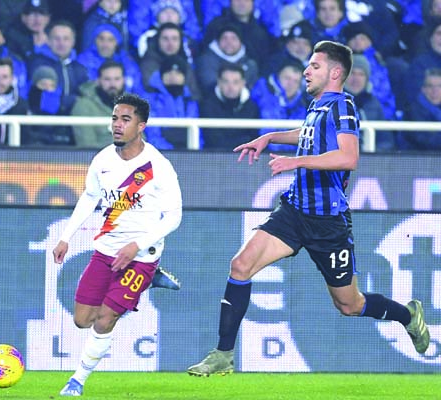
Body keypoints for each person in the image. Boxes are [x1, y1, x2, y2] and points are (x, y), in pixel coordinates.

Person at [187, 40, 430, 377]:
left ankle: (407, 315)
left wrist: (295, 162)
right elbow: (308, 132)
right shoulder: (318, 106)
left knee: (350, 304)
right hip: (295, 211)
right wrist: (270, 137)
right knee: (241, 265)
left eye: (314, 66)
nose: (306, 70)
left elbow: (349, 157)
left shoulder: (343, 104)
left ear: (334, 72)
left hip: (328, 223)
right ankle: (223, 354)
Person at [53, 93, 182, 396]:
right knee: (82, 320)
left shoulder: (158, 166)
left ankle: (77, 381)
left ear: (141, 126)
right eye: (114, 118)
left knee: (105, 318)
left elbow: (174, 217)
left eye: (126, 119)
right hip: (107, 251)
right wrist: (65, 236)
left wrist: (137, 245)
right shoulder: (102, 160)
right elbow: (89, 197)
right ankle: (149, 282)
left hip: (142, 255)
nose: (117, 125)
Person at [199, 63, 259, 150]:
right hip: (214, 157)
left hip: (245, 157)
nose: (230, 87)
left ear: (243, 83)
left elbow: (253, 139)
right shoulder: (207, 105)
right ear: (219, 82)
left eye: (235, 82)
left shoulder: (252, 107)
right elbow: (212, 139)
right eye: (226, 81)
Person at [70, 60, 126, 148]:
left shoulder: (132, 105)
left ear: (123, 80)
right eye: (107, 79)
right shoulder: (83, 106)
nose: (112, 84)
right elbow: (86, 147)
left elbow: (141, 140)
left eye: (117, 79)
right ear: (98, 81)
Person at [396, 67, 441, 151]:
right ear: (423, 89)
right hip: (419, 159)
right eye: (430, 86)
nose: (435, 91)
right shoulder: (412, 111)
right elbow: (422, 139)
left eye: (439, 86)